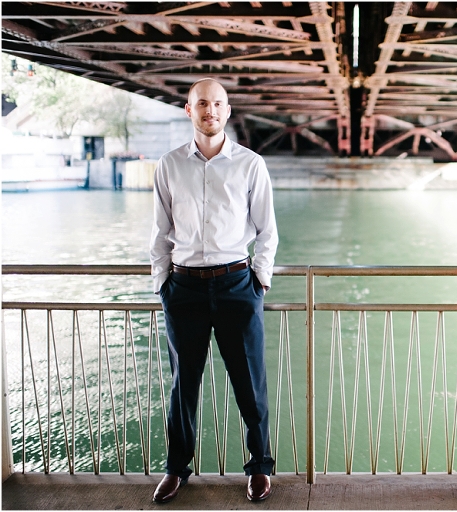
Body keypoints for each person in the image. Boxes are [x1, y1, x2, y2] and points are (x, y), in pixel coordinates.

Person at [149, 77, 278, 503]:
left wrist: (258, 280)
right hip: (183, 287)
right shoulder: (168, 165)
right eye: (202, 104)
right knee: (182, 386)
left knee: (249, 383)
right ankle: (176, 470)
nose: (211, 111)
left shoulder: (250, 164)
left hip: (237, 285)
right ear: (189, 110)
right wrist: (162, 283)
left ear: (228, 109)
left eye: (218, 103)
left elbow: (268, 231)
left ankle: (260, 467)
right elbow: (160, 231)